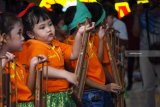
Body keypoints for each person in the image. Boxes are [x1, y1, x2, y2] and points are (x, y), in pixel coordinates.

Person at [21, 6, 94, 107]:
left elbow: (74, 54)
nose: (49, 29)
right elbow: (41, 69)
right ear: (31, 34)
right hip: (49, 97)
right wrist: (64, 74)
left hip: (62, 94)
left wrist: (79, 34)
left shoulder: (55, 43)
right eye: (42, 27)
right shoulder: (35, 45)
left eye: (50, 24)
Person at [64, 2, 121, 107]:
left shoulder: (88, 40)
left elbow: (98, 61)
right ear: (79, 26)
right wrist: (105, 87)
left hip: (99, 90)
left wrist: (100, 38)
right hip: (90, 94)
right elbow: (80, 77)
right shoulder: (72, 47)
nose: (93, 25)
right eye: (89, 23)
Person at [0, 12, 47, 107]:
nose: (23, 38)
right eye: (19, 33)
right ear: (4, 38)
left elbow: (27, 93)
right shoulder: (3, 65)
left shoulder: (17, 63)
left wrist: (33, 65)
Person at [134, 1, 160, 107]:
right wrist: (137, 14)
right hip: (145, 52)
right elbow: (135, 33)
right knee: (148, 86)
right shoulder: (142, 14)